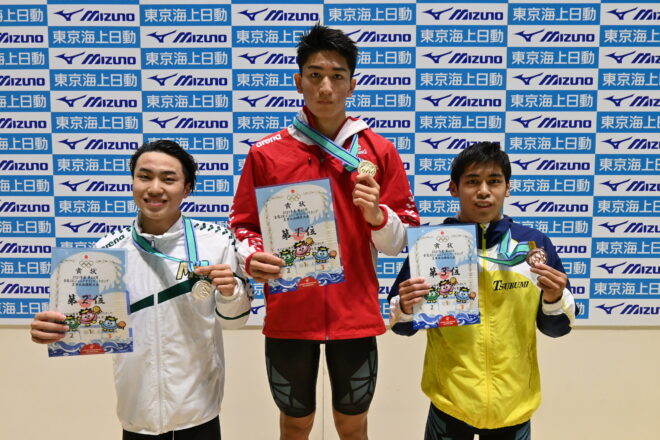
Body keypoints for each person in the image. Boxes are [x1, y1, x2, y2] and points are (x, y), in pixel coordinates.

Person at [229, 24, 420, 440]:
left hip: (356, 314)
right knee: (295, 424)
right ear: (299, 82)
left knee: (352, 426)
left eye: (337, 76)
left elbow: (403, 238)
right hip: (290, 313)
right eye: (315, 75)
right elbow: (243, 225)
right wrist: (252, 256)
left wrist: (377, 216)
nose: (326, 87)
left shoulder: (379, 150)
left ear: (352, 84)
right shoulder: (266, 153)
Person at [30, 139, 253, 439]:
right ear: (133, 182)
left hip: (199, 410)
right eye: (144, 177)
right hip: (137, 413)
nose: (155, 188)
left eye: (168, 179)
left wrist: (231, 292)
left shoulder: (216, 241)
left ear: (187, 189)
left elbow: (235, 321)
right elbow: (88, 323)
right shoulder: (108, 252)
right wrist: (54, 329)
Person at [388, 142, 577, 440]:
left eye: (494, 181)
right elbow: (402, 327)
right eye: (473, 181)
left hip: (514, 405)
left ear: (508, 188)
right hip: (450, 403)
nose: (484, 191)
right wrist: (406, 307)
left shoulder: (533, 245)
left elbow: (557, 329)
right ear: (454, 188)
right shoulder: (431, 246)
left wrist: (553, 300)